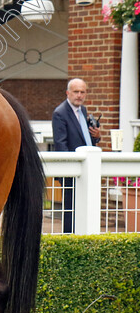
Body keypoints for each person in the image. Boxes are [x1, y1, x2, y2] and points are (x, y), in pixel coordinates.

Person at [52, 78, 100, 234]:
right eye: (76, 92)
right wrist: (69, 171)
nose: (79, 95)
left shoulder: (83, 111)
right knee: (70, 211)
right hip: (71, 171)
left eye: (82, 92)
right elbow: (61, 145)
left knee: (85, 208)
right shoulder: (60, 113)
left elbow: (85, 139)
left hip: (86, 169)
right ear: (68, 93)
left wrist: (96, 137)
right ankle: (69, 239)